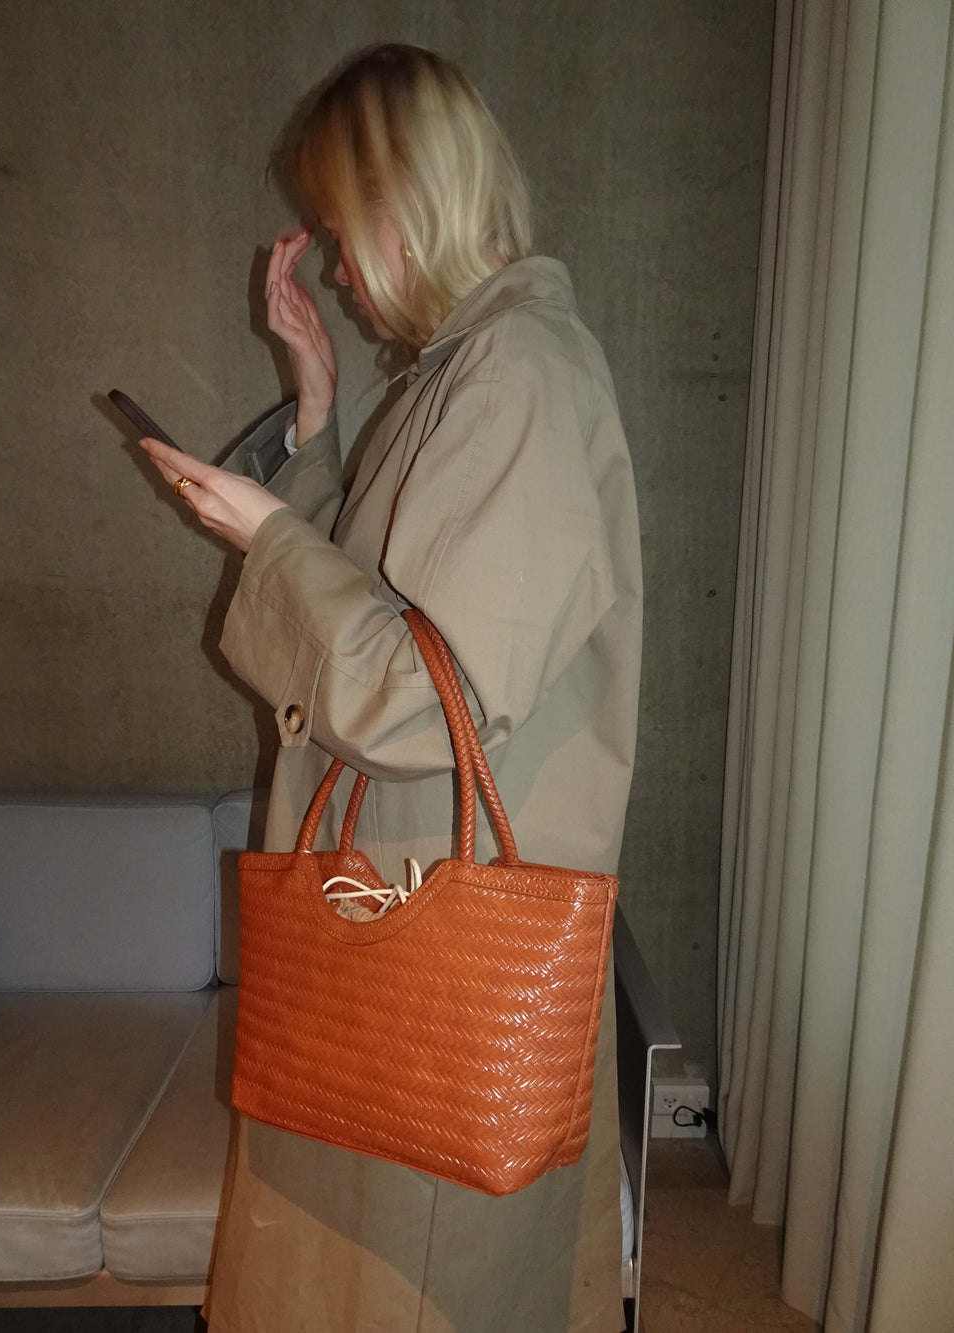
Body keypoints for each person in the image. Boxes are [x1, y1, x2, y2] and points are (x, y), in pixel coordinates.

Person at [139, 43, 642, 1333]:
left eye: (343, 233)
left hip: (437, 917)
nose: (340, 274)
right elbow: (379, 596)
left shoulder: (518, 373)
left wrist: (267, 535)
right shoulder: (470, 370)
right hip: (403, 891)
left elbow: (424, 696)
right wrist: (317, 411)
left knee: (426, 1272)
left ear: (404, 207)